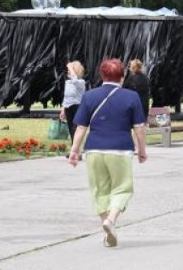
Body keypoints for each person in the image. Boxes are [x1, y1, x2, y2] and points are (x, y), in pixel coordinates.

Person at [69, 58, 147, 248]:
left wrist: (74, 151)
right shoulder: (131, 97)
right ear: (122, 76)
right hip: (120, 150)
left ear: (102, 75)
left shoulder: (89, 96)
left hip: (94, 149)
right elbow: (139, 128)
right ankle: (110, 221)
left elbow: (80, 127)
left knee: (99, 190)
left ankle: (107, 227)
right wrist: (142, 150)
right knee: (122, 188)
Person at [60, 61, 86, 142]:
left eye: (70, 70)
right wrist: (63, 109)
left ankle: (76, 150)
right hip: (68, 107)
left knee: (76, 128)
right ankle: (74, 150)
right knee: (71, 128)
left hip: (77, 107)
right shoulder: (67, 82)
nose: (68, 71)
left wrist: (71, 67)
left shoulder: (81, 82)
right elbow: (66, 97)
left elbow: (75, 81)